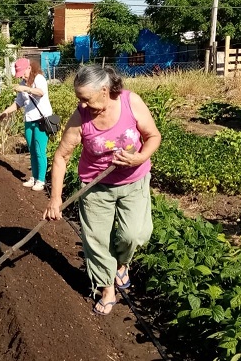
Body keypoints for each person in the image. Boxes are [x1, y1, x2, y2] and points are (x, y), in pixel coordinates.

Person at [43, 65, 162, 315]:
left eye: (86, 99)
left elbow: (153, 136)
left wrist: (140, 158)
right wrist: (55, 199)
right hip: (96, 187)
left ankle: (122, 264)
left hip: (134, 181)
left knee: (135, 234)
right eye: (79, 99)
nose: (82, 105)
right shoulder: (80, 117)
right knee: (97, 241)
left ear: (105, 91)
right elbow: (61, 157)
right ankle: (107, 288)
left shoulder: (132, 103)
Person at [0, 58, 53, 192]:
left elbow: (41, 92)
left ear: (29, 68)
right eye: (20, 74)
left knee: (40, 150)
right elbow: (19, 103)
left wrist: (26, 88)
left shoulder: (38, 78)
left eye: (23, 73)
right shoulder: (22, 83)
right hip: (29, 120)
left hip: (41, 120)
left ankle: (41, 180)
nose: (22, 76)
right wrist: (6, 112)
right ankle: (34, 177)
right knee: (32, 151)